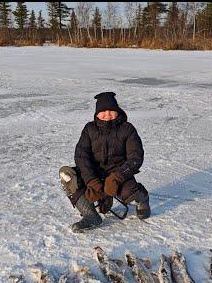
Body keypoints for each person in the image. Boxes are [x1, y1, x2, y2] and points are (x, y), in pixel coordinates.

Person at [59, 91, 150, 232]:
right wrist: (91, 180)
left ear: (117, 111)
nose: (107, 115)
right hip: (94, 173)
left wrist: (116, 177)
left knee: (128, 191)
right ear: (97, 113)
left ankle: (142, 197)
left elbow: (135, 158)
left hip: (119, 173)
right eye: (103, 111)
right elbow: (81, 156)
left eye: (111, 111)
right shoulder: (89, 129)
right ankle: (91, 216)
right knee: (67, 174)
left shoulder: (127, 129)